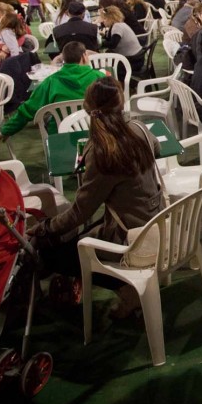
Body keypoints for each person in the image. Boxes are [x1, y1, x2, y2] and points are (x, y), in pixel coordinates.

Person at [26, 76, 163, 317]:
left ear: (88, 108)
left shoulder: (103, 152)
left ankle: (125, 288)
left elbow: (80, 213)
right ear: (121, 102)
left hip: (133, 236)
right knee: (79, 237)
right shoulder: (139, 129)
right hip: (157, 220)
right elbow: (158, 149)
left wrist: (45, 227)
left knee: (56, 252)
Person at [0, 41, 106, 142]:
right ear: (84, 57)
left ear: (64, 60)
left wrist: (6, 130)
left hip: (60, 134)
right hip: (96, 131)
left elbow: (27, 110)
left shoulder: (50, 82)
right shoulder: (100, 78)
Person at [99, 6, 144, 76]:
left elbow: (113, 44)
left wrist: (99, 43)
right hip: (138, 57)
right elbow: (112, 39)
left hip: (133, 61)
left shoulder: (117, 27)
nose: (102, 21)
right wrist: (104, 36)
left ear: (110, 18)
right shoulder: (120, 24)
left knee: (104, 59)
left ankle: (116, 80)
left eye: (104, 18)